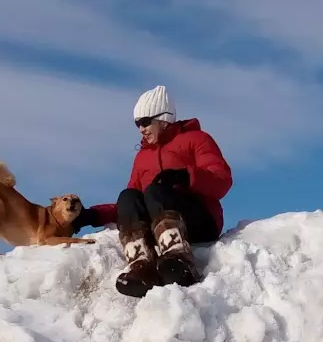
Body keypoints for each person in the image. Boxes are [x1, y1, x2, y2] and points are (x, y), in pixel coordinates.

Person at [76, 85, 232, 297]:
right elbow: (130, 204)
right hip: (158, 225)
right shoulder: (143, 157)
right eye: (137, 124)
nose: (141, 129)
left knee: (156, 191)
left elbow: (222, 179)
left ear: (163, 118)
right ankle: (142, 267)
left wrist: (186, 176)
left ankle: (179, 260)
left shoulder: (197, 139)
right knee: (128, 196)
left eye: (145, 122)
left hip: (198, 220)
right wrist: (92, 215)